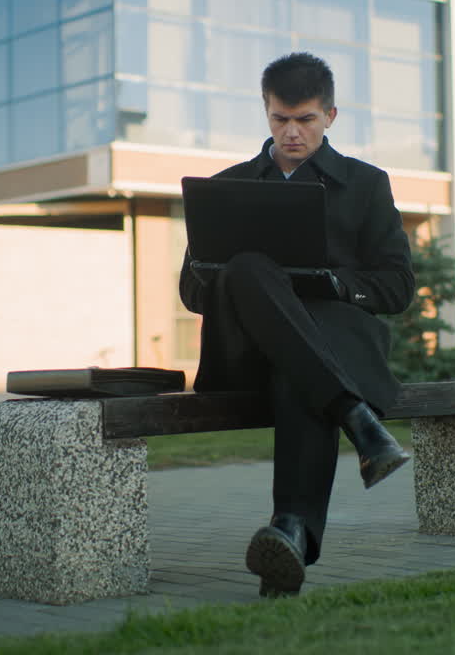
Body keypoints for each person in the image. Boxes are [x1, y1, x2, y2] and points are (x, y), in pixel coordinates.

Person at [178, 52, 416, 597]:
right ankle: (359, 422)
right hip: (243, 356)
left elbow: (397, 287)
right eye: (280, 119)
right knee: (248, 268)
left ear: (330, 115)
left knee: (300, 372)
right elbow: (192, 295)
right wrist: (218, 269)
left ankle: (290, 534)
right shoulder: (227, 186)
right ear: (265, 112)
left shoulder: (365, 184)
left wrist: (329, 282)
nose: (291, 132)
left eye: (305, 120)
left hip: (322, 350)